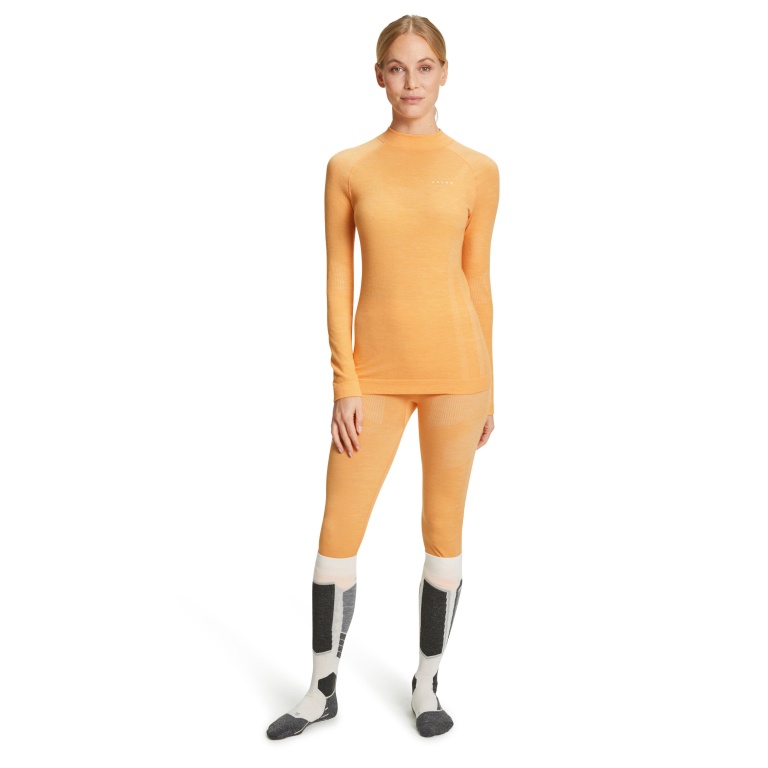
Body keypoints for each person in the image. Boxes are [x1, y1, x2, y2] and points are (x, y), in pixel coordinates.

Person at [266, 14, 499, 740]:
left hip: (459, 375)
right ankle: (321, 689)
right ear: (378, 76)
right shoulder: (349, 167)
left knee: (443, 530)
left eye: (424, 67)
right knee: (337, 531)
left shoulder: (478, 170)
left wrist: (490, 386)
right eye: (397, 67)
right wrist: (345, 383)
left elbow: (478, 280)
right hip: (375, 377)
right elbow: (338, 279)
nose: (411, 81)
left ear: (444, 73)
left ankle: (427, 683)